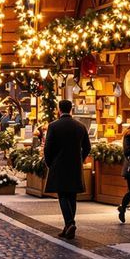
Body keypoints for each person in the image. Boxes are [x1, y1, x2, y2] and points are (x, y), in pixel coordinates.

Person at [43, 99, 92, 239]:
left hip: (59, 165)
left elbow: (48, 148)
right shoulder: (80, 126)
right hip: (75, 166)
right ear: (71, 109)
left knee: (63, 195)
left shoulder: (53, 126)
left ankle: (70, 223)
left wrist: (50, 163)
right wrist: (80, 159)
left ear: (59, 109)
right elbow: (87, 147)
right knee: (72, 196)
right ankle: (68, 227)